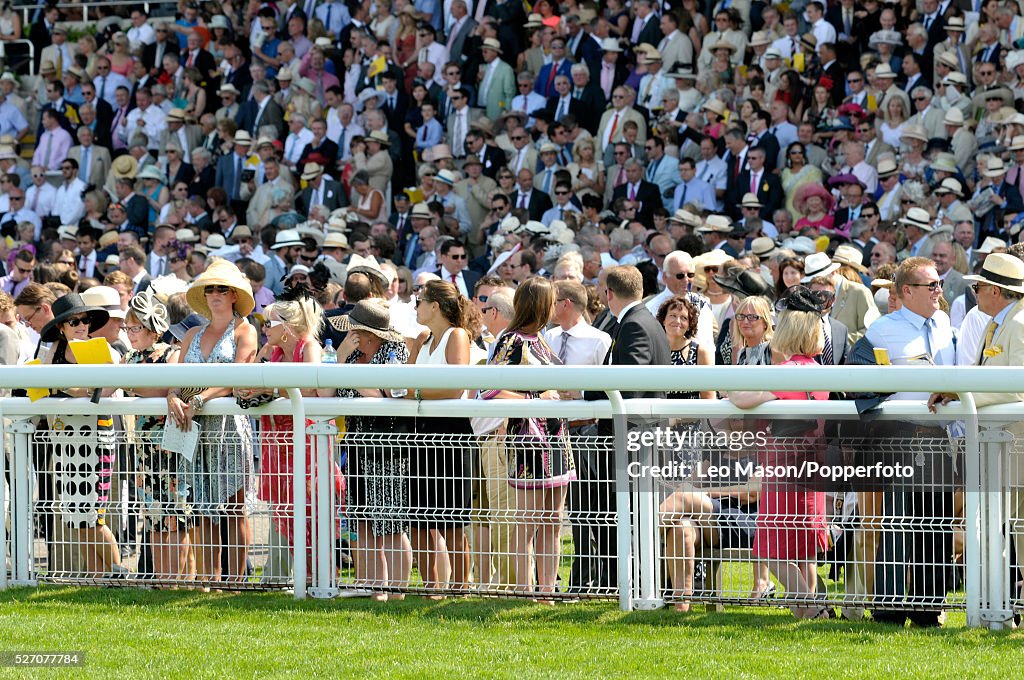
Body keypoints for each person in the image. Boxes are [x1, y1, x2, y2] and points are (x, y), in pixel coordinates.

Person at [728, 286, 832, 619]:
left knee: (771, 549)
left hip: (783, 468)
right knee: (805, 550)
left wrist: (765, 396)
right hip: (813, 468)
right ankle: (807, 612)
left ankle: (813, 608)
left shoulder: (785, 372)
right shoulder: (819, 371)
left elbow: (738, 398)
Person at [481, 277, 576, 602]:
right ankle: (525, 590)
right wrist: (534, 400)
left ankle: (546, 591)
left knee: (552, 522)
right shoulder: (512, 341)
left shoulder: (541, 340)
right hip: (528, 442)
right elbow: (491, 390)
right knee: (527, 523)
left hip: (556, 439)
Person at [167, 259, 257, 586]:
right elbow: (176, 376)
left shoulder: (245, 330)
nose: (215, 294)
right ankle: (207, 578)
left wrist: (202, 398)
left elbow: (238, 377)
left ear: (234, 295)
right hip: (194, 427)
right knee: (202, 507)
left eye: (222, 288)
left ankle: (235, 581)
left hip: (229, 425)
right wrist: (173, 396)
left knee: (233, 507)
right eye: (210, 289)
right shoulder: (192, 332)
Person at [241, 296, 343, 583]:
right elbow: (250, 381)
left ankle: (318, 577)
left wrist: (271, 388)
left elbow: (309, 387)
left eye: (268, 324)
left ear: (285, 327)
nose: (264, 330)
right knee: (282, 509)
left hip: (306, 439)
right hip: (277, 439)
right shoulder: (272, 351)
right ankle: (285, 577)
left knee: (311, 508)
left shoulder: (308, 346)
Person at [331, 299, 414, 601]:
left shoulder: (395, 353)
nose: (350, 333)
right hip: (356, 446)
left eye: (354, 328)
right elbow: (329, 393)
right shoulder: (351, 355)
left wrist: (352, 376)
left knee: (390, 524)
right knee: (363, 521)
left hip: (388, 449)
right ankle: (371, 587)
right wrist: (339, 361)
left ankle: (397, 591)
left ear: (369, 333)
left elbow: (389, 394)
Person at [40, 293, 126, 578]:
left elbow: (110, 386)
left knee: (95, 516)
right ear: (61, 327)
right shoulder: (52, 352)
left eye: (85, 320)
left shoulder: (104, 349)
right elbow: (43, 387)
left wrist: (73, 389)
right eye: (73, 321)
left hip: (97, 435)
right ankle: (98, 580)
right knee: (76, 518)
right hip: (65, 439)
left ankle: (119, 574)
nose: (81, 325)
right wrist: (77, 389)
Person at [405, 279, 475, 596]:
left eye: (419, 300)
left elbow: (456, 386)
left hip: (452, 434)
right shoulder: (423, 338)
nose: (415, 306)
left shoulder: (456, 336)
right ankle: (431, 585)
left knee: (451, 520)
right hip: (422, 433)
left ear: (434, 306)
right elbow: (403, 382)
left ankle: (460, 586)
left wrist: (414, 393)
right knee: (419, 519)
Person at [122, 290, 190, 582]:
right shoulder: (129, 357)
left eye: (135, 328)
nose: (130, 334)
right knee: (152, 516)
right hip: (145, 448)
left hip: (170, 444)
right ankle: (163, 579)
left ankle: (180, 579)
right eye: (128, 328)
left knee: (175, 516)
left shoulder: (171, 353)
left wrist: (132, 386)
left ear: (152, 328)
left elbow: (163, 387)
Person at [656, 295, 714, 398]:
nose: (677, 321)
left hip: (690, 412)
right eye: (673, 315)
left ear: (689, 325)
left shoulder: (700, 352)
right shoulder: (653, 349)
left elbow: (709, 398)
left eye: (684, 318)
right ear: (663, 320)